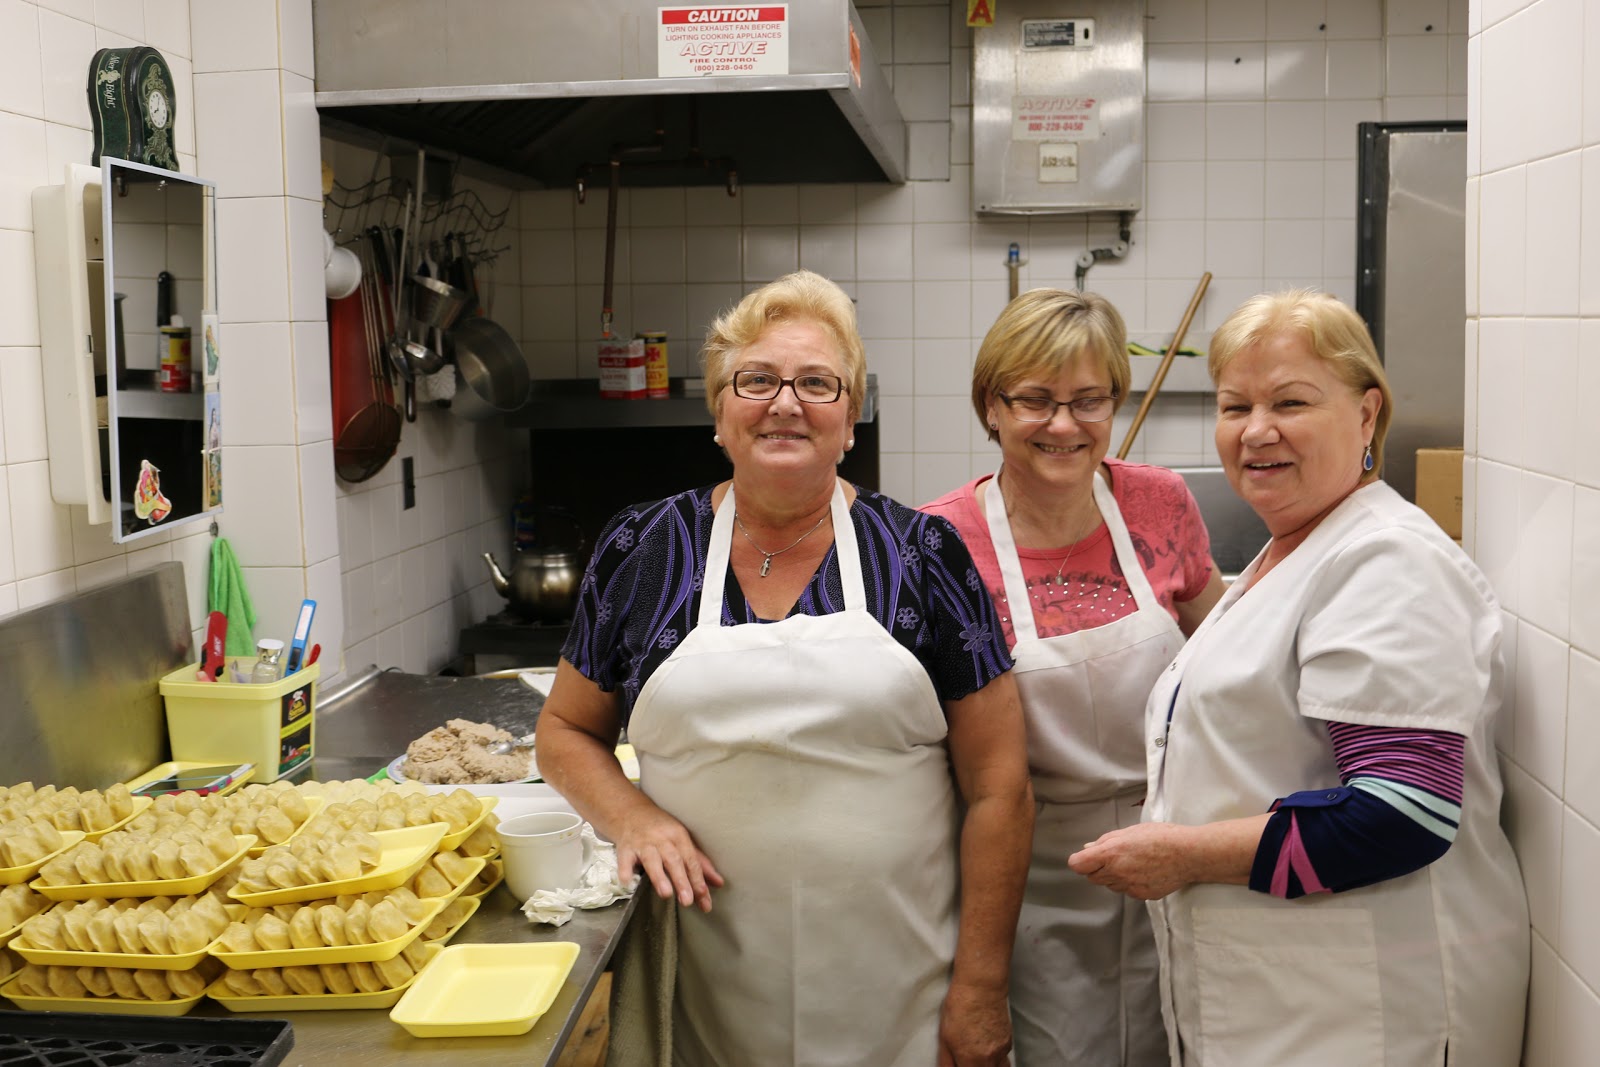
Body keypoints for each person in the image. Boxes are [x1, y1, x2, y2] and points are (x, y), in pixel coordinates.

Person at [535, 270, 1034, 1066]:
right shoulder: (643, 548)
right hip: (699, 973)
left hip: (902, 980)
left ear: (850, 420)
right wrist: (633, 816)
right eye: (756, 379)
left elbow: (1000, 787)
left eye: (817, 383)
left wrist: (979, 988)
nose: (785, 402)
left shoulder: (924, 555)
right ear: (720, 414)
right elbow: (563, 731)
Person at [1068, 289, 1530, 1066]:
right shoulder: (1297, 549)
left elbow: (1404, 813)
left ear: (1367, 415)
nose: (1256, 431)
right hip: (1295, 1003)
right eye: (1234, 405)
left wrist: (1185, 854)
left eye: (1291, 401)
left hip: (1374, 1014)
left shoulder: (1387, 563)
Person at [921, 289, 1224, 1066]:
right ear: (991, 406)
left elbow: (1227, 659)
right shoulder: (938, 544)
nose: (1064, 425)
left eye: (1089, 400)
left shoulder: (1160, 502)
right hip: (1025, 882)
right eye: (1036, 401)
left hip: (1179, 861)